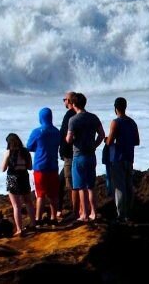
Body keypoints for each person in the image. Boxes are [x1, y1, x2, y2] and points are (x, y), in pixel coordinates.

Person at [65, 93, 105, 222]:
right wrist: (94, 145)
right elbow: (102, 135)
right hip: (91, 155)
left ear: (74, 104)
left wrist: (69, 138)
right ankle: (94, 212)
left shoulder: (73, 120)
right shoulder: (93, 117)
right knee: (91, 186)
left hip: (78, 155)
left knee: (81, 187)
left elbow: (69, 139)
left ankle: (84, 214)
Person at [104, 97, 140, 221]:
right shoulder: (132, 122)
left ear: (115, 108)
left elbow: (109, 141)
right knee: (129, 185)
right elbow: (137, 141)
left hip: (118, 158)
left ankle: (121, 215)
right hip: (129, 157)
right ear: (125, 107)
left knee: (119, 187)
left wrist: (106, 139)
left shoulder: (115, 122)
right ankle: (129, 212)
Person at [26, 107, 61, 223]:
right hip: (53, 166)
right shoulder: (57, 131)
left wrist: (39, 147)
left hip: (40, 166)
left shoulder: (37, 132)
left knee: (40, 195)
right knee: (53, 195)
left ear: (40, 118)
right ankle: (53, 217)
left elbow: (29, 146)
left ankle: (38, 219)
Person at [2, 133, 36, 235]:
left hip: (13, 178)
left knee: (16, 206)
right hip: (24, 177)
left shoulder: (9, 153)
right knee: (28, 202)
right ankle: (33, 224)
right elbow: (30, 167)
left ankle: (19, 229)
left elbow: (3, 169)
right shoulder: (25, 152)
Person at [57, 91, 77, 220]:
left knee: (69, 184)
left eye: (64, 99)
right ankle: (74, 209)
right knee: (66, 182)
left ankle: (75, 211)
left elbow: (64, 135)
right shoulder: (76, 114)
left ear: (69, 101)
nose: (64, 101)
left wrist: (63, 151)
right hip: (75, 154)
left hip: (70, 155)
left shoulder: (70, 115)